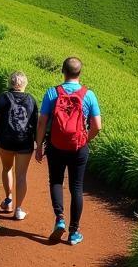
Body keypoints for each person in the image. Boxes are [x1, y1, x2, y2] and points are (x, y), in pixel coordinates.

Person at [34, 56, 101, 245]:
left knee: (56, 181)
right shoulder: (89, 95)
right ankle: (73, 232)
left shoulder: (52, 93)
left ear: (62, 71)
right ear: (80, 73)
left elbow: (42, 122)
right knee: (76, 187)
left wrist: (38, 146)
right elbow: (97, 126)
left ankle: (60, 219)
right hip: (78, 147)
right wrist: (84, 139)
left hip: (55, 145)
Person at [0, 70, 38, 220]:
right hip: (25, 142)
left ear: (10, 83)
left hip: (5, 141)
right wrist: (38, 144)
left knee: (7, 168)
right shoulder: (31, 100)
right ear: (25, 84)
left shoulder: (3, 98)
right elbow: (36, 124)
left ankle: (8, 200)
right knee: (22, 175)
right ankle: (18, 209)